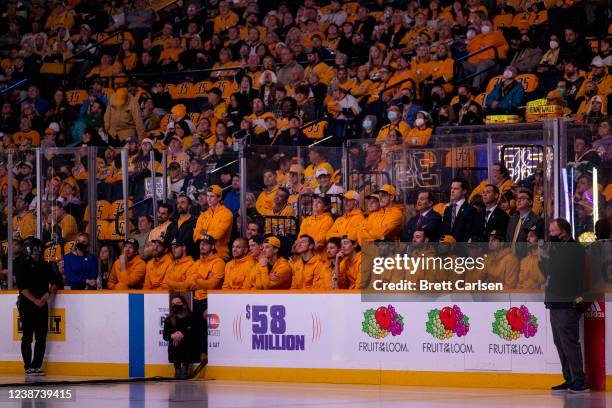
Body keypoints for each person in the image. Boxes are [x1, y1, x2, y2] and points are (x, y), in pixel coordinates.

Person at [540, 218, 589, 393]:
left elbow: (563, 272)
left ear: (564, 232)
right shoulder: (557, 250)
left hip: (567, 300)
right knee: (559, 341)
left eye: (554, 232)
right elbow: (547, 272)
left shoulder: (574, 249)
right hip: (555, 299)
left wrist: (548, 257)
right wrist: (544, 259)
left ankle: (579, 379)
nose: (551, 236)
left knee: (568, 341)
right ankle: (569, 377)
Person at [15, 238, 59, 376]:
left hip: (41, 303)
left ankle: (36, 365)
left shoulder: (45, 265)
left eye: (39, 248)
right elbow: (22, 287)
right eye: (35, 247)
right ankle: (28, 366)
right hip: (27, 304)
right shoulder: (23, 264)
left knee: (41, 336)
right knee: (27, 336)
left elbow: (55, 282)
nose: (38, 250)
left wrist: (46, 295)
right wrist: (35, 300)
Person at [163, 294, 199, 379]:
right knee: (175, 340)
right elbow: (165, 336)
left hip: (190, 348)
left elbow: (196, 333)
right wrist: (173, 335)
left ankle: (185, 368)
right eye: (173, 304)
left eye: (178, 303)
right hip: (175, 349)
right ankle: (177, 369)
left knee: (186, 340)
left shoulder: (192, 317)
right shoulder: (169, 319)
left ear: (184, 305)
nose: (175, 305)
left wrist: (183, 334)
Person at [194, 185, 234, 260]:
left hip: (220, 255)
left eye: (212, 196)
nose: (209, 199)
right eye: (207, 196)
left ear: (219, 198)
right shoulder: (203, 215)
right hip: (204, 256)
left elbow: (217, 235)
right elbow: (195, 237)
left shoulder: (227, 214)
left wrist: (204, 233)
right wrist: (208, 234)